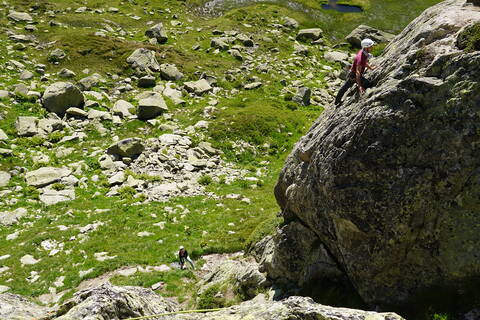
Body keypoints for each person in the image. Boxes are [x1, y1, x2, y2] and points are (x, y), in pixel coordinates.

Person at [335, 38, 377, 106]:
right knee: (366, 85)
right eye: (371, 46)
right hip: (353, 75)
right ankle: (337, 102)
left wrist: (370, 68)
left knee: (345, 87)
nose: (372, 47)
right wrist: (360, 86)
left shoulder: (364, 52)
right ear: (366, 47)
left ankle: (337, 101)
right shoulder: (361, 58)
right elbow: (358, 72)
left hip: (353, 74)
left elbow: (364, 62)